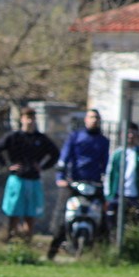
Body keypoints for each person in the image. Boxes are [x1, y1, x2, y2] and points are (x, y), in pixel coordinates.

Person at [47, 108, 110, 259]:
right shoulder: (75, 137)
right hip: (73, 183)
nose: (94, 120)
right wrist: (61, 177)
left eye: (96, 118)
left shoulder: (103, 141)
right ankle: (53, 250)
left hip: (94, 184)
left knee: (103, 216)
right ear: (86, 120)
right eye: (91, 117)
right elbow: (64, 157)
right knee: (62, 215)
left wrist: (106, 182)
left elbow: (106, 164)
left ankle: (104, 253)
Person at [0, 106, 60, 242]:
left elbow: (55, 154)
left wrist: (43, 167)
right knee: (14, 211)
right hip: (17, 179)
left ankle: (27, 240)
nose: (30, 121)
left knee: (31, 213)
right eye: (27, 117)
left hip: (34, 180)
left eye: (32, 118)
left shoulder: (40, 138)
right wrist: (7, 166)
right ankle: (11, 237)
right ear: (22, 119)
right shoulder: (14, 137)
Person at [104, 122, 139, 227]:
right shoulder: (117, 154)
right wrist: (108, 196)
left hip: (135, 196)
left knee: (134, 224)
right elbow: (109, 175)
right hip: (117, 196)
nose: (130, 136)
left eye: (133, 133)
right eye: (128, 133)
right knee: (113, 224)